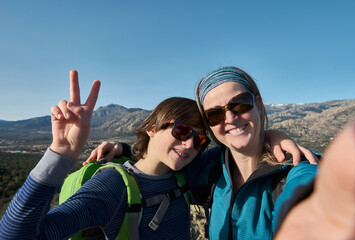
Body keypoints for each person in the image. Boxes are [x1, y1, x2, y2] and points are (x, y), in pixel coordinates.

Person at [86, 66, 319, 239]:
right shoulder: (208, 167)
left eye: (241, 105)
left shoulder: (296, 169)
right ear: (210, 126)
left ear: (258, 105)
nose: (230, 118)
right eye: (215, 114)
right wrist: (124, 149)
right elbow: (158, 162)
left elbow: (310, 197)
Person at [0, 70, 212, 239]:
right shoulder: (113, 186)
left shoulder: (186, 174)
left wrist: (124, 147)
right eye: (182, 130)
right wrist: (60, 154)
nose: (190, 143)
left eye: (200, 140)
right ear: (152, 128)